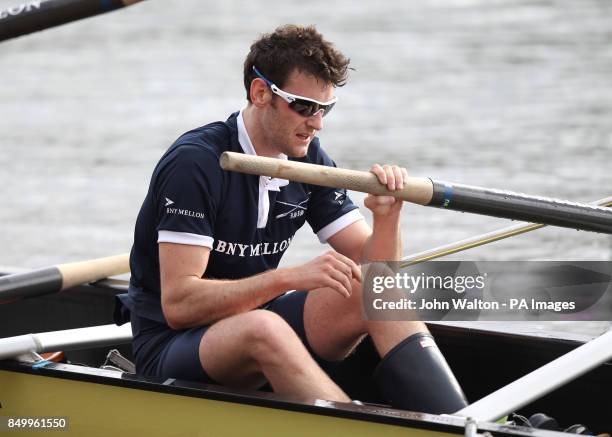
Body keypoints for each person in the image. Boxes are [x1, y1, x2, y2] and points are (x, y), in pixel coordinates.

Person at [117, 24, 467, 414]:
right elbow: (180, 306)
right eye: (303, 106)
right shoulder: (195, 163)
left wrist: (387, 217)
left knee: (372, 290)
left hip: (252, 320)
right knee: (263, 328)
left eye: (325, 109)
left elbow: (379, 271)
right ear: (261, 93)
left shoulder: (310, 160)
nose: (317, 123)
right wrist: (287, 278)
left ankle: (460, 421)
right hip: (171, 345)